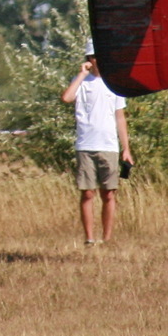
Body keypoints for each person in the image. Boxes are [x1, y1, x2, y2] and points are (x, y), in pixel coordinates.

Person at [60, 45, 133, 246]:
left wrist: (126, 148)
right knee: (87, 192)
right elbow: (66, 98)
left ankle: (107, 239)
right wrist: (81, 75)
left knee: (109, 193)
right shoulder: (82, 82)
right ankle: (89, 238)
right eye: (93, 56)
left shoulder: (115, 84)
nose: (97, 60)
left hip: (109, 146)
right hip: (85, 145)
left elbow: (120, 118)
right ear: (88, 59)